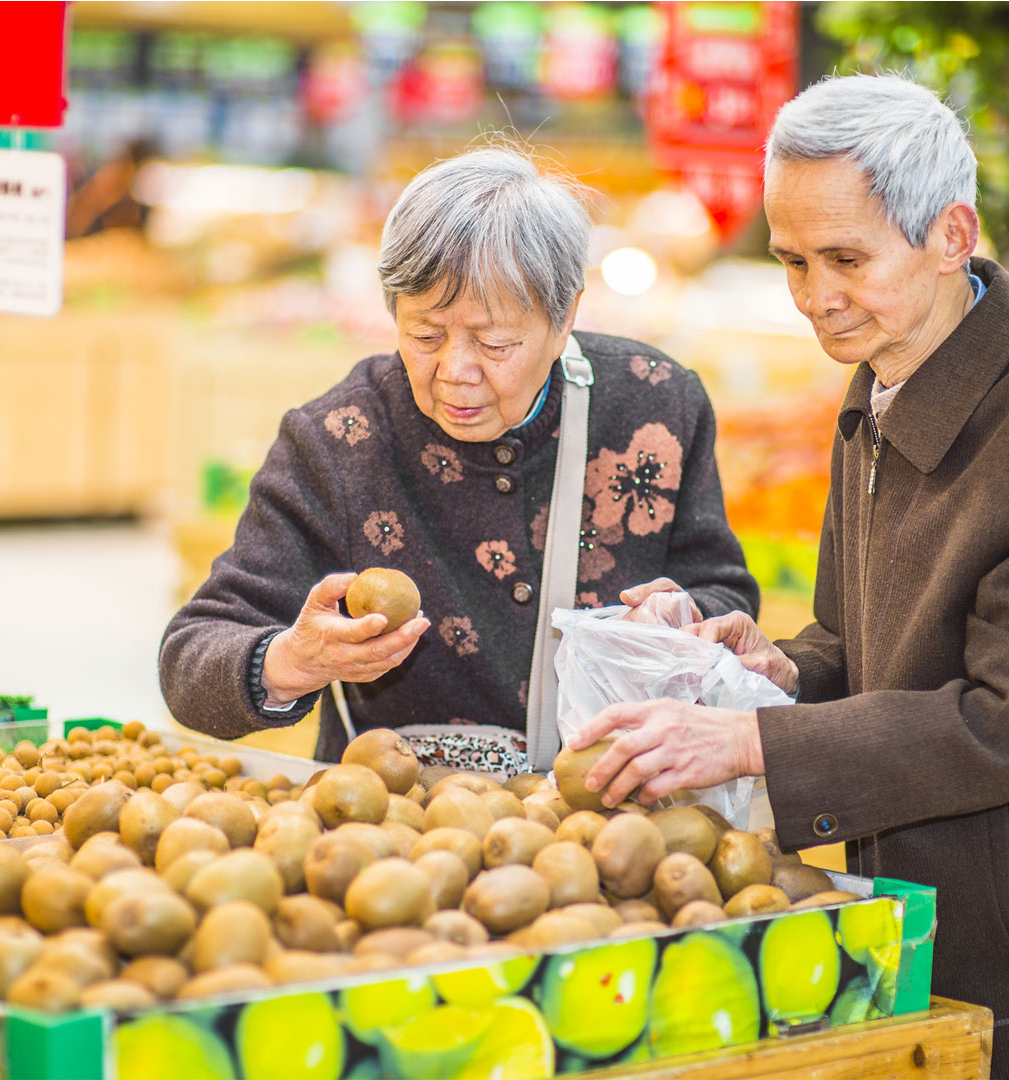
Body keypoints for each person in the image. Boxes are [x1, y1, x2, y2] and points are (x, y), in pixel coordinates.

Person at [571, 73, 1009, 1062]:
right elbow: (864, 648)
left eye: (846, 259)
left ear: (949, 235)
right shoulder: (885, 392)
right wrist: (774, 671)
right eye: (792, 261)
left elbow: (1000, 717)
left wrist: (751, 744)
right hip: (909, 915)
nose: (816, 297)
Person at [160, 144, 758, 772]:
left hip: (614, 813)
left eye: (495, 342)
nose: (455, 372)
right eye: (424, 335)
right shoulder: (337, 441)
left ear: (565, 320)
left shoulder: (655, 404)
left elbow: (725, 592)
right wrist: (287, 664)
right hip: (398, 828)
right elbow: (190, 659)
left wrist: (685, 619)